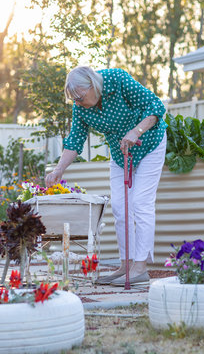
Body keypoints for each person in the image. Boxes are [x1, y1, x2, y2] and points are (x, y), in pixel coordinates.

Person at [45, 66, 167, 286]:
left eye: (80, 97)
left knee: (141, 202)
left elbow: (155, 106)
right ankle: (126, 264)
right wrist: (58, 170)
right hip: (121, 153)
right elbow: (74, 141)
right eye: (74, 99)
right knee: (120, 207)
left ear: (93, 85)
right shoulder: (80, 108)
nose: (78, 102)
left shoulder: (117, 79)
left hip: (149, 143)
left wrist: (136, 131)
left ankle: (140, 268)